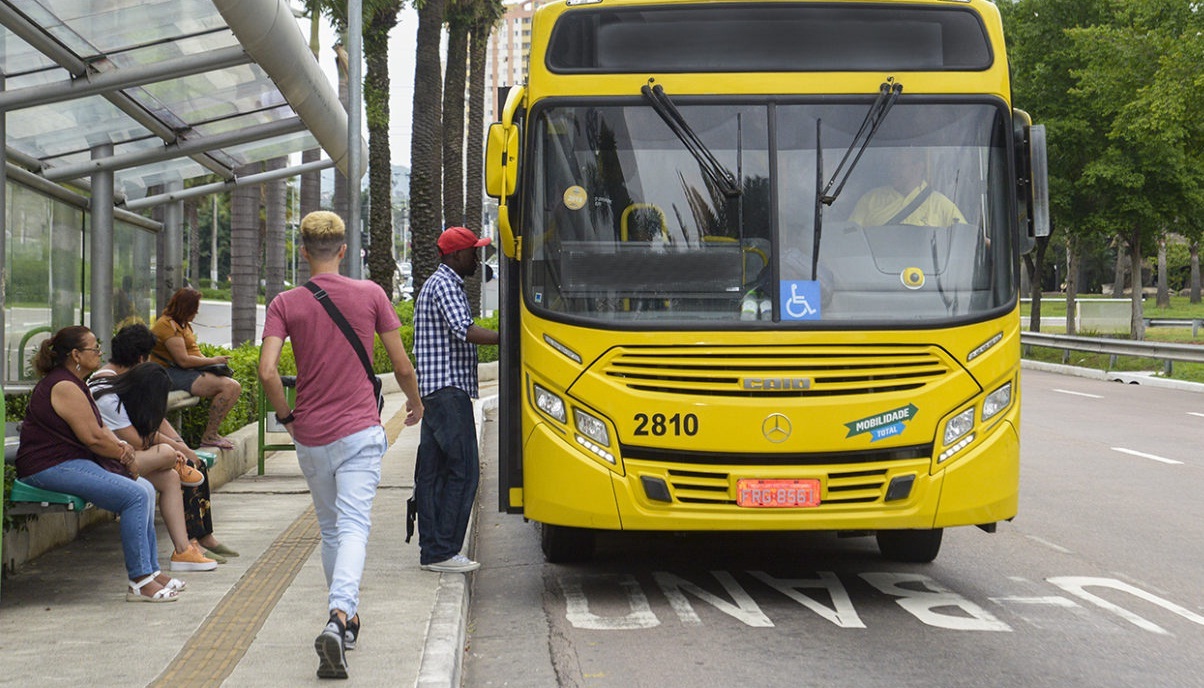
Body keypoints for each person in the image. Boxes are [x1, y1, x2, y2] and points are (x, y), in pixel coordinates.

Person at [259, 210, 423, 680]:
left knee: (332, 530)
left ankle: (345, 621)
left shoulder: (285, 303)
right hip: (358, 432)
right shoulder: (371, 294)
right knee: (354, 528)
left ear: (305, 252)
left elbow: (267, 371)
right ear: (345, 250)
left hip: (311, 435)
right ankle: (338, 617)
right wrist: (413, 404)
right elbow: (401, 366)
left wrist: (287, 417)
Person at [15, 326, 183, 602]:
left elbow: (101, 429)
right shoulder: (63, 386)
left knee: (145, 489)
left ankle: (151, 572)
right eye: (94, 348)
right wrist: (122, 454)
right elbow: (92, 437)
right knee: (135, 495)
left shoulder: (76, 382)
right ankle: (140, 580)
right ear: (75, 354)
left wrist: (124, 449)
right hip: (48, 467)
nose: (100, 352)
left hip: (71, 462)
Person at [91, 323, 238, 564]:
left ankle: (196, 541)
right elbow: (134, 437)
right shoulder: (108, 387)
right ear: (141, 357)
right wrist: (178, 449)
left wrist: (182, 446)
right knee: (175, 459)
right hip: (116, 456)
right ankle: (192, 541)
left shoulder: (126, 378)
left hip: (132, 453)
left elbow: (153, 418)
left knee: (184, 465)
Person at [412, 226, 500, 574]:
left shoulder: (441, 283)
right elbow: (465, 329)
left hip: (437, 390)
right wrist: (510, 336)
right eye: (473, 251)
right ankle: (445, 550)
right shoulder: (446, 284)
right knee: (463, 471)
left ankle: (433, 550)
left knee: (433, 474)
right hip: (448, 392)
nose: (477, 258)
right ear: (455, 255)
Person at [149, 287, 242, 451]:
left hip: (186, 372)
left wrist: (213, 365)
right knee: (229, 386)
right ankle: (209, 436)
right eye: (194, 310)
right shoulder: (167, 326)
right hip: (169, 374)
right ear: (185, 308)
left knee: (233, 385)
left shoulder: (182, 324)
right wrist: (213, 360)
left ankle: (212, 434)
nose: (196, 314)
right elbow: (183, 360)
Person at [847, 148, 967, 227]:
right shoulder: (870, 200)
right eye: (892, 165)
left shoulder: (941, 205)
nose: (894, 170)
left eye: (900, 165)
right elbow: (849, 237)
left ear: (918, 168)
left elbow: (963, 240)